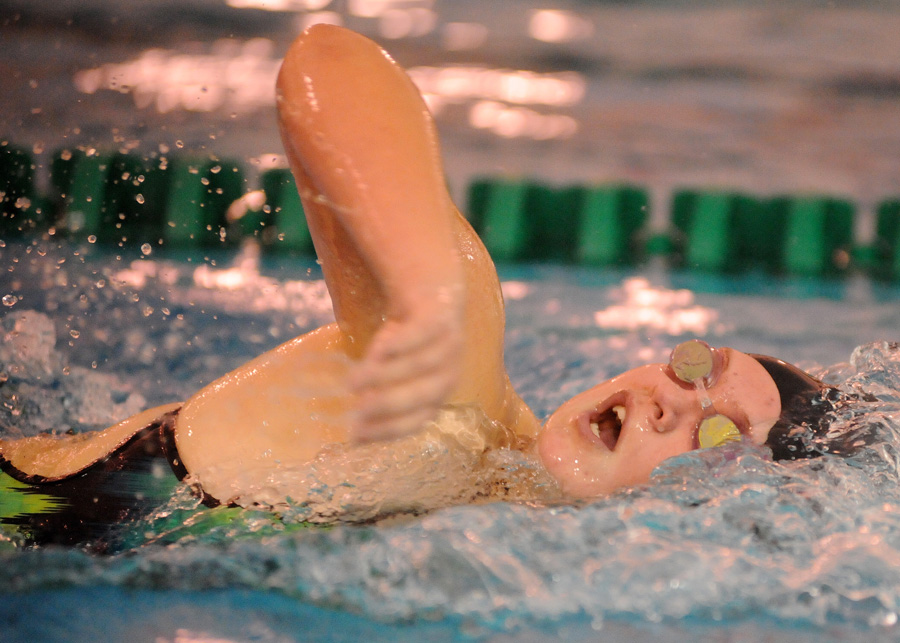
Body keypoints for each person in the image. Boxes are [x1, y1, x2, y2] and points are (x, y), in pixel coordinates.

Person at [0, 25, 839, 549]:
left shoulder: (481, 543)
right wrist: (429, 287)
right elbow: (325, 61)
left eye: (717, 433)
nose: (669, 402)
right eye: (697, 368)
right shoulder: (454, 384)